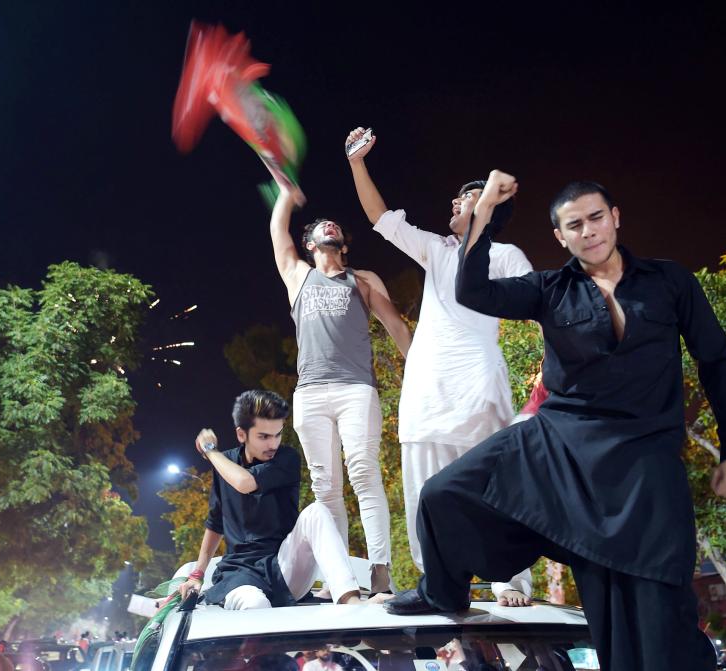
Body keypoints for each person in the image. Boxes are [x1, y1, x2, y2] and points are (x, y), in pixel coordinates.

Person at [385, 174, 726, 671]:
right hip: (558, 447)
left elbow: (718, 363)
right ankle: (443, 591)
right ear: (561, 237)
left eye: (596, 217)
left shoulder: (670, 281)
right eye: (574, 225)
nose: (589, 231)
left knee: (651, 624)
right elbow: (471, 290)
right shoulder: (549, 289)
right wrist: (485, 215)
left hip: (644, 463)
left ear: (615, 217)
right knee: (442, 495)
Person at [344, 126, 535, 606]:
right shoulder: (436, 250)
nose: (455, 202)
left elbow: (542, 310)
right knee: (424, 494)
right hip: (427, 395)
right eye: (456, 197)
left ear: (490, 207)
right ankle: (439, 584)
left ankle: (510, 581)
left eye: (467, 197)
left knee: (496, 486)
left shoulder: (508, 256)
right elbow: (380, 217)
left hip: (479, 392)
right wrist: (357, 163)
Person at [270, 185, 412, 592]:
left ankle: (380, 568)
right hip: (310, 394)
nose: (328, 227)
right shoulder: (299, 277)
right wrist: (285, 195)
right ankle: (340, 576)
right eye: (319, 227)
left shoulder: (363, 281)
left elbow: (398, 328)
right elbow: (278, 233)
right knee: (325, 487)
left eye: (335, 227)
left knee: (364, 472)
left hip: (355, 390)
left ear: (343, 245)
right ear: (311, 244)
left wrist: (422, 370)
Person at [179, 389, 392, 609]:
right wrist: (197, 574)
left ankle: (352, 602)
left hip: (284, 566)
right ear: (242, 435)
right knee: (255, 604)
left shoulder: (286, 458)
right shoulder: (225, 465)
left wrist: (210, 452)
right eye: (263, 436)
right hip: (239, 574)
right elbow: (215, 524)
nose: (273, 444)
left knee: (317, 511)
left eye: (277, 434)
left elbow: (245, 483)